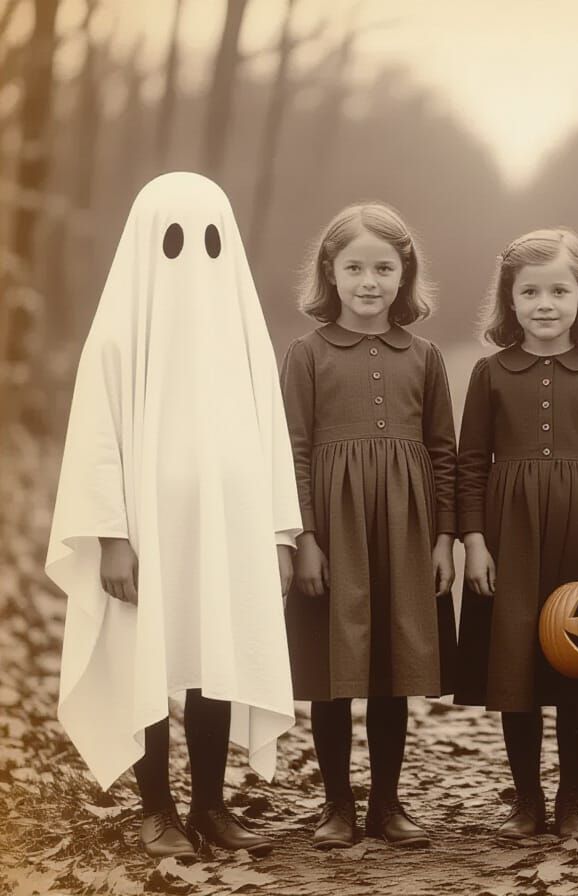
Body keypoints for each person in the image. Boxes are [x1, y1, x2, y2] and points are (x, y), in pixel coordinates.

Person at [46, 172, 300, 860]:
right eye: (177, 240)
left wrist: (279, 534)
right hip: (146, 535)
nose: (196, 256)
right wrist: (112, 537)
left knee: (216, 656)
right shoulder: (119, 336)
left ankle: (211, 806)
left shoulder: (243, 328)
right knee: (150, 661)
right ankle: (156, 807)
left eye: (212, 239)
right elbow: (98, 439)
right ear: (144, 242)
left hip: (228, 530)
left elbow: (270, 433)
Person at [455, 228, 578, 841]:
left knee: (576, 665)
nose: (545, 303)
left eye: (559, 290)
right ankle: (527, 800)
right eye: (530, 290)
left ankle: (573, 801)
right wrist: (475, 541)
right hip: (511, 536)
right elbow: (468, 463)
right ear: (508, 300)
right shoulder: (491, 374)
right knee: (515, 669)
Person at [280, 203, 457, 850]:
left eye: (383, 267)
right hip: (334, 527)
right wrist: (303, 538)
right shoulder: (306, 354)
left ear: (404, 273)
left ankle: (387, 801)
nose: (368, 282)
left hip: (406, 530)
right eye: (354, 267)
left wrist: (443, 537)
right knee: (336, 666)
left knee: (393, 664)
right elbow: (293, 450)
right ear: (330, 272)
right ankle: (336, 804)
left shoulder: (426, 356)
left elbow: (444, 450)